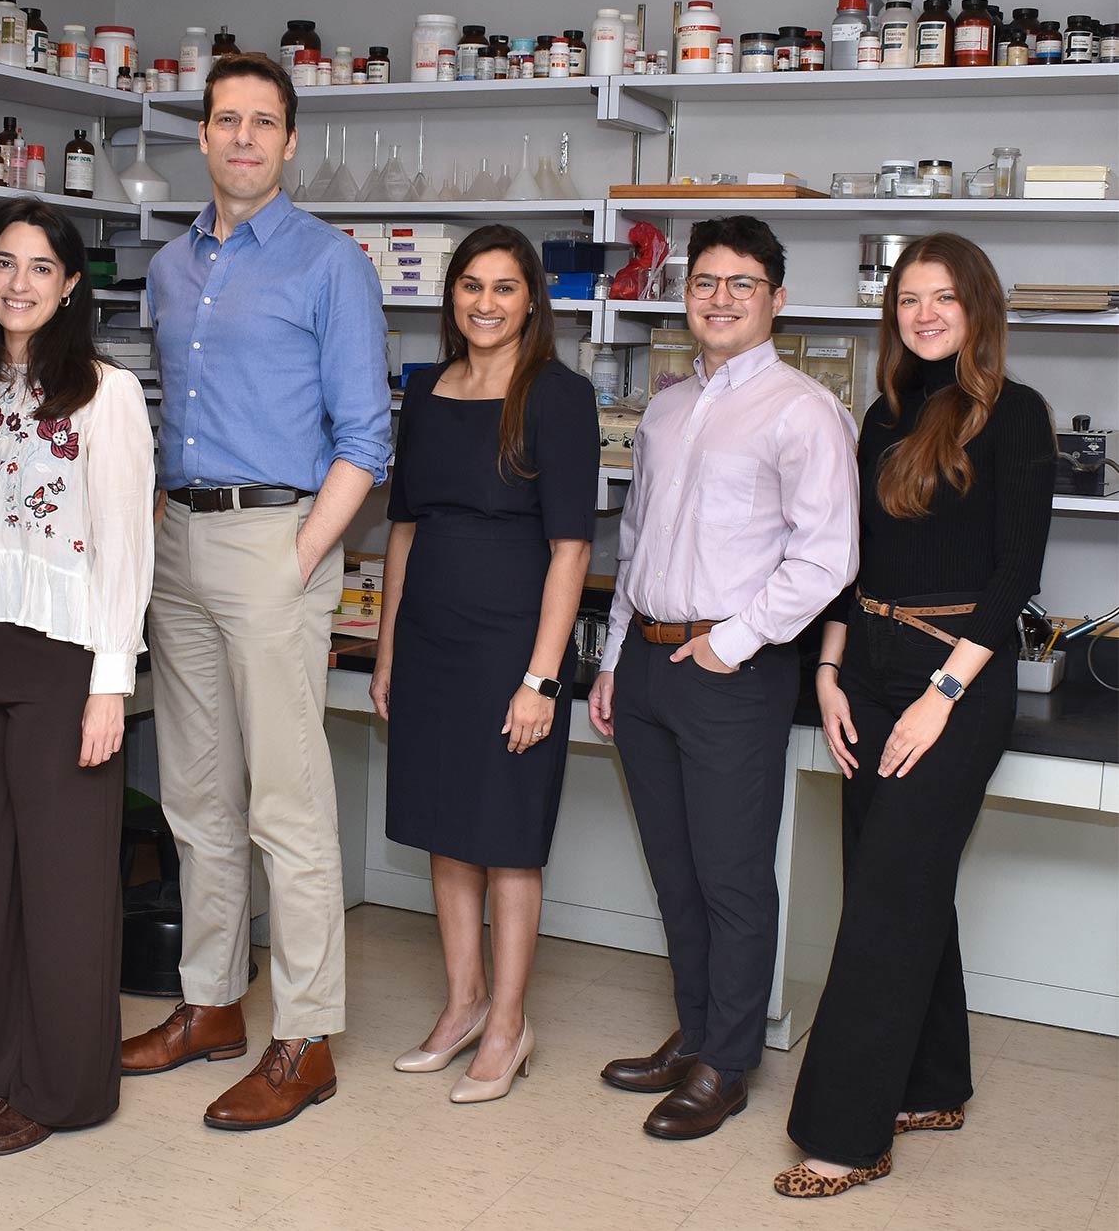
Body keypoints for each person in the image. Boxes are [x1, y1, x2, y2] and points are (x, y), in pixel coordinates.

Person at [122, 54, 392, 1130]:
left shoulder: (330, 264)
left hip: (274, 537)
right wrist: (157, 525)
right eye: (225, 120)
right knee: (194, 795)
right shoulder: (169, 266)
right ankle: (210, 1003)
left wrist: (301, 555)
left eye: (262, 123)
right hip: (179, 538)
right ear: (202, 135)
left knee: (287, 802)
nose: (242, 138)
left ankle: (306, 1034)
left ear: (288, 143)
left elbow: (367, 437)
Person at [777, 234, 1055, 1197]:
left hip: (956, 677)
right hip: (870, 663)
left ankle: (846, 1137)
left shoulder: (1017, 417)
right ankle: (933, 1083)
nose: (925, 314)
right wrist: (828, 668)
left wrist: (944, 697)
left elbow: (1016, 576)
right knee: (899, 883)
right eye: (908, 300)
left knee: (887, 901)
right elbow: (857, 566)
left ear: (979, 309)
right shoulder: (885, 416)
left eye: (944, 298)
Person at [588, 215, 859, 1141]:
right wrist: (618, 653)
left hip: (730, 670)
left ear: (775, 300)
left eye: (743, 283)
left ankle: (727, 1062)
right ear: (685, 292)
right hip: (651, 662)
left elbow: (827, 560)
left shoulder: (802, 410)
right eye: (706, 280)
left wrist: (733, 642)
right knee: (675, 872)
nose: (720, 297)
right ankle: (695, 1033)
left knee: (732, 877)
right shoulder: (664, 408)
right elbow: (633, 545)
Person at [0, 198, 154, 1157]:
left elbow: (127, 548)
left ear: (70, 286)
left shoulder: (106, 392)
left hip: (61, 661)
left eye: (40, 268)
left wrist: (111, 684)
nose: (18, 283)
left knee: (64, 883)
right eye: (2, 264)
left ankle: (63, 1086)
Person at [370, 225, 596, 1103]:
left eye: (505, 288)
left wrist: (543, 678)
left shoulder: (558, 397)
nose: (486, 304)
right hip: (432, 640)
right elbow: (404, 528)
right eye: (472, 286)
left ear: (532, 301)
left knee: (505, 838)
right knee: (443, 827)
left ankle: (509, 1023)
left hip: (514, 645)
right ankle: (460, 1004)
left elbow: (572, 549)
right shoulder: (427, 392)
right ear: (451, 296)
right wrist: (389, 648)